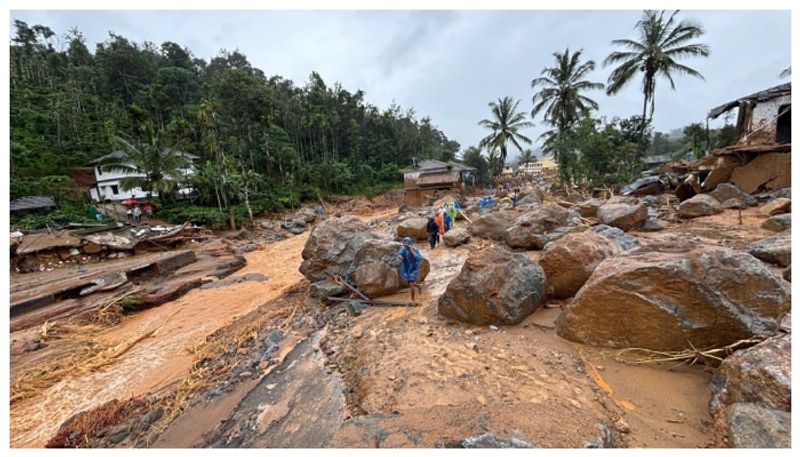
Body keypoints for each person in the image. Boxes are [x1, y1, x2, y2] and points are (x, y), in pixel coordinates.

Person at [397, 237, 424, 303]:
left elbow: (419, 258)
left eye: (406, 243)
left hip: (413, 268)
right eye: (404, 243)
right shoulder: (403, 248)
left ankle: (412, 299)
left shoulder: (414, 249)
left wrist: (411, 251)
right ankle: (419, 286)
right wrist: (400, 256)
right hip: (407, 268)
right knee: (409, 282)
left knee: (411, 283)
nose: (405, 244)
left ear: (410, 243)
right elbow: (400, 254)